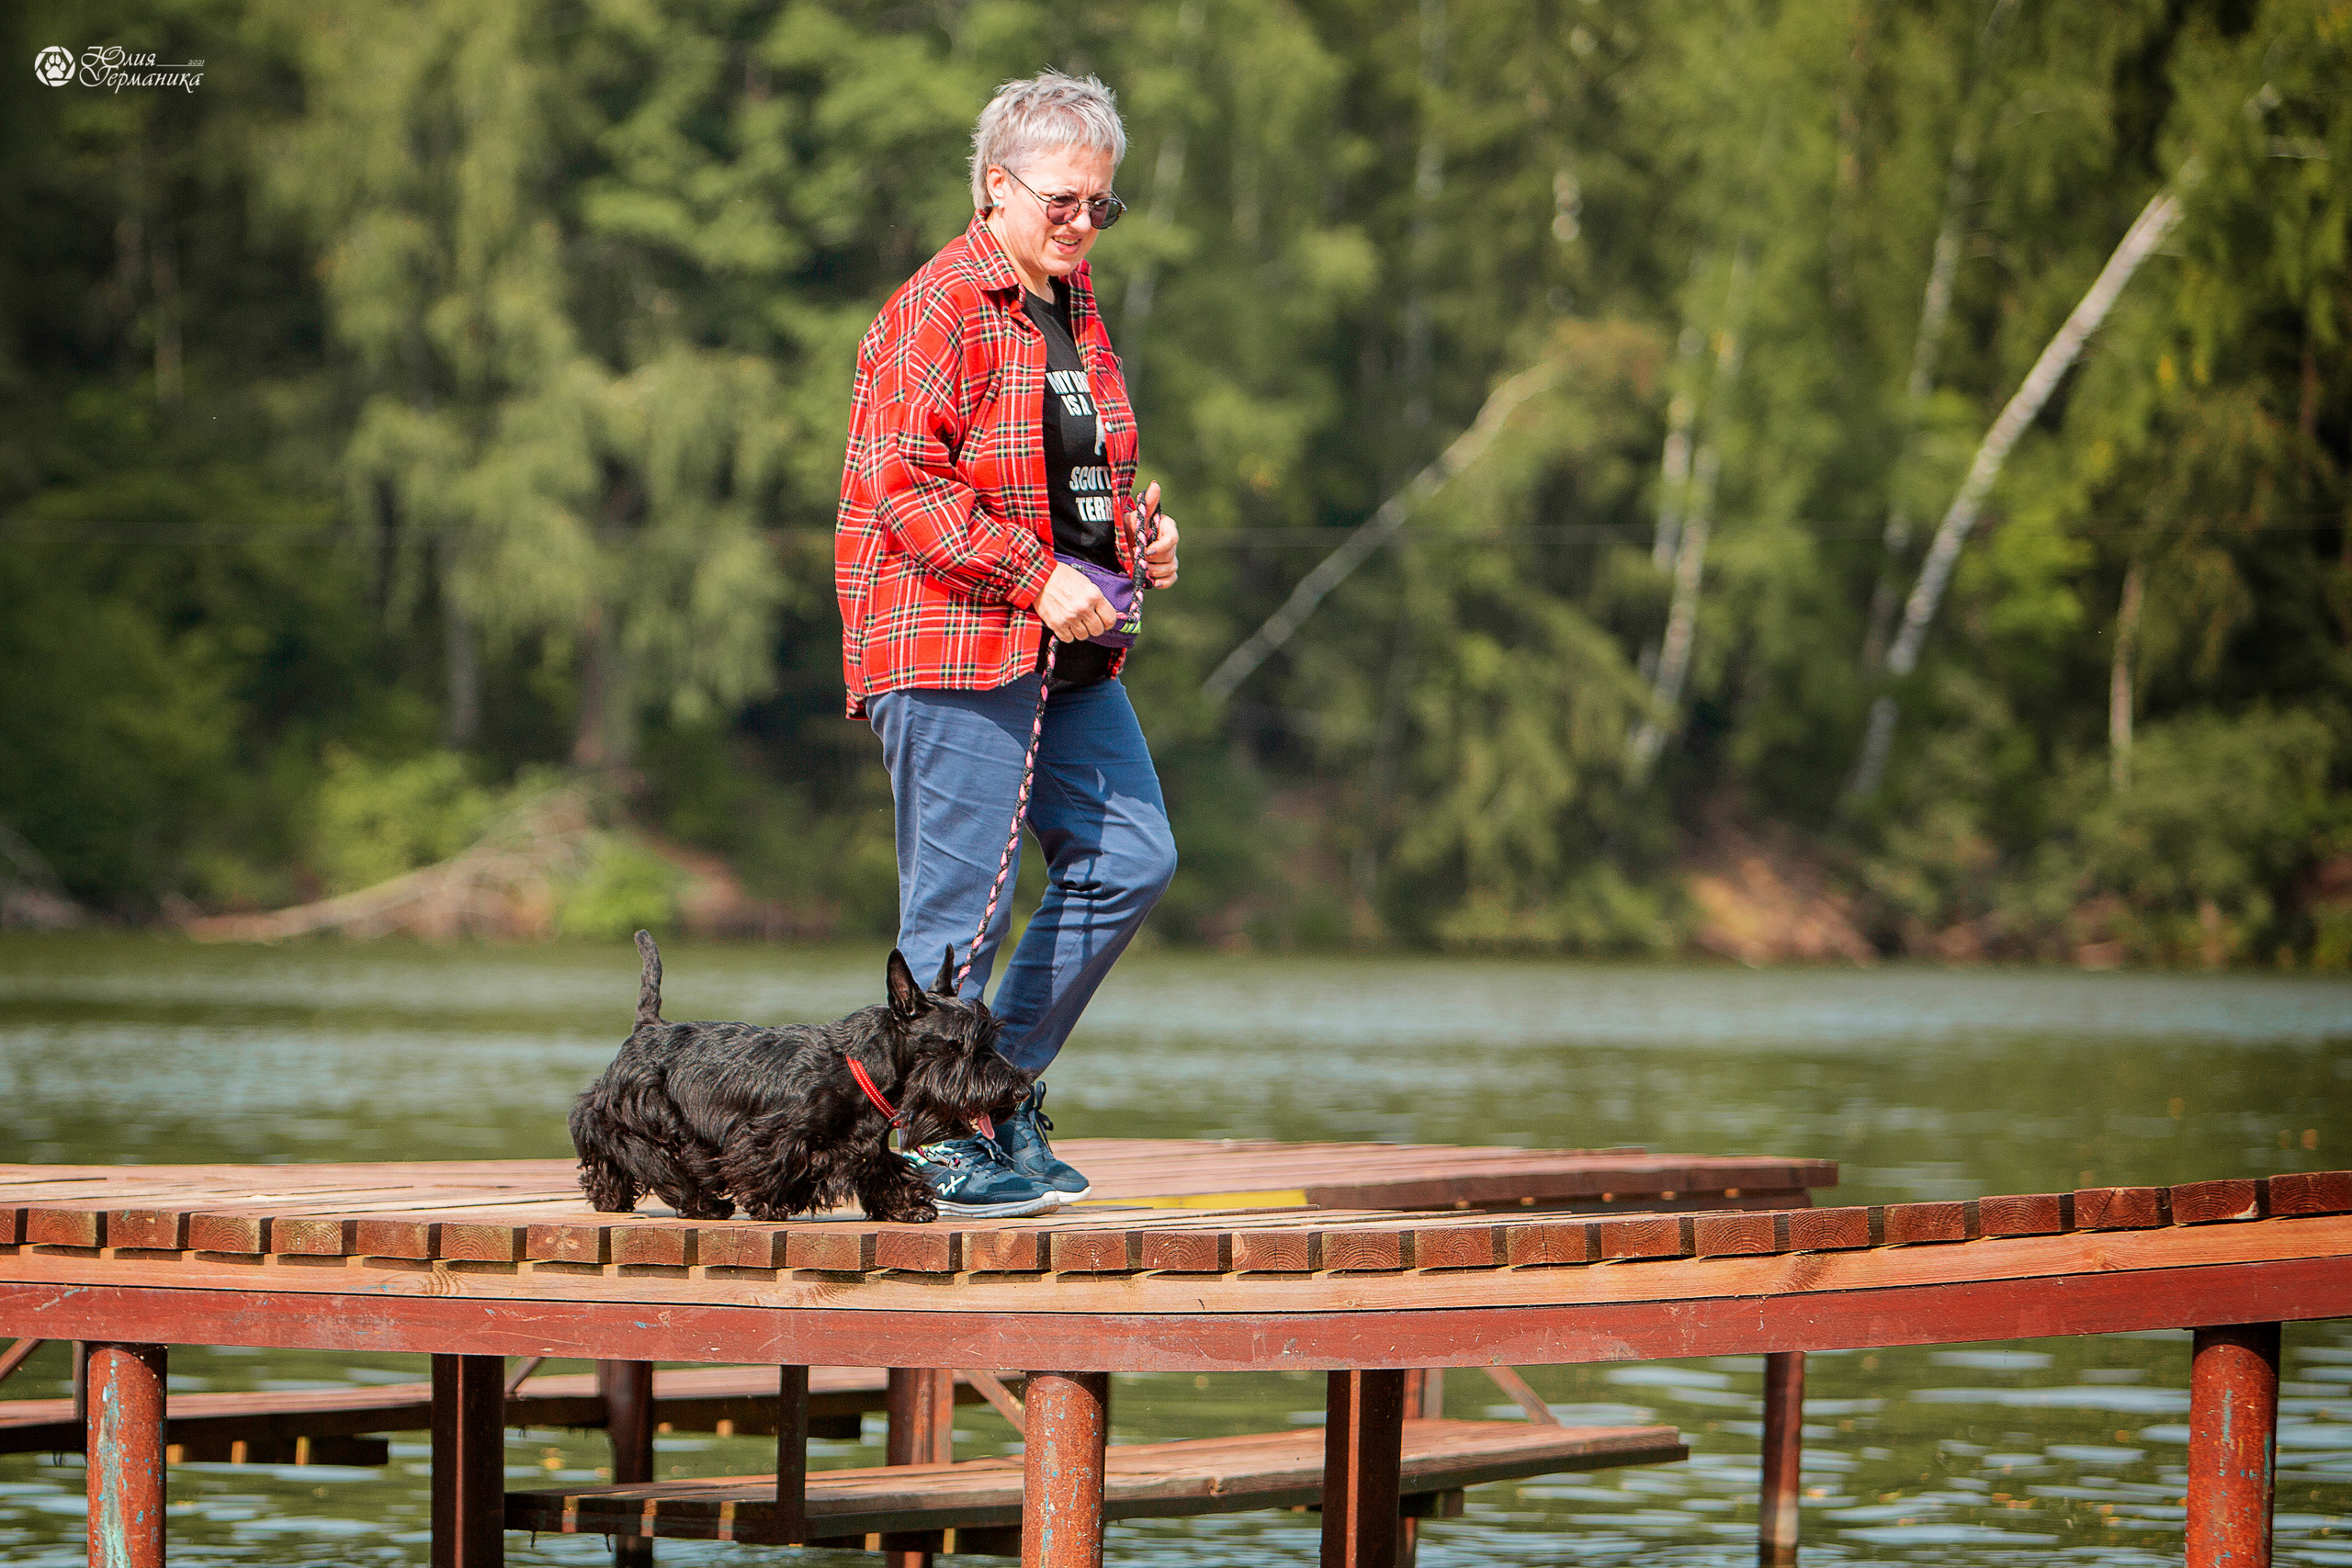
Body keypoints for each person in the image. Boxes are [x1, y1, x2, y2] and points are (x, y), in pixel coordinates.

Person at [835, 71, 1180, 1218]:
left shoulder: (1074, 312)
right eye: (1064, 202)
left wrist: (1141, 536)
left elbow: (1082, 479)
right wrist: (1036, 579)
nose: (1083, 223)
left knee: (1130, 856)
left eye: (1100, 205)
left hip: (1065, 650)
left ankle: (993, 1088)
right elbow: (903, 487)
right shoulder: (936, 307)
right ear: (996, 188)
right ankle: (926, 1139)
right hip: (948, 641)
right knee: (960, 914)